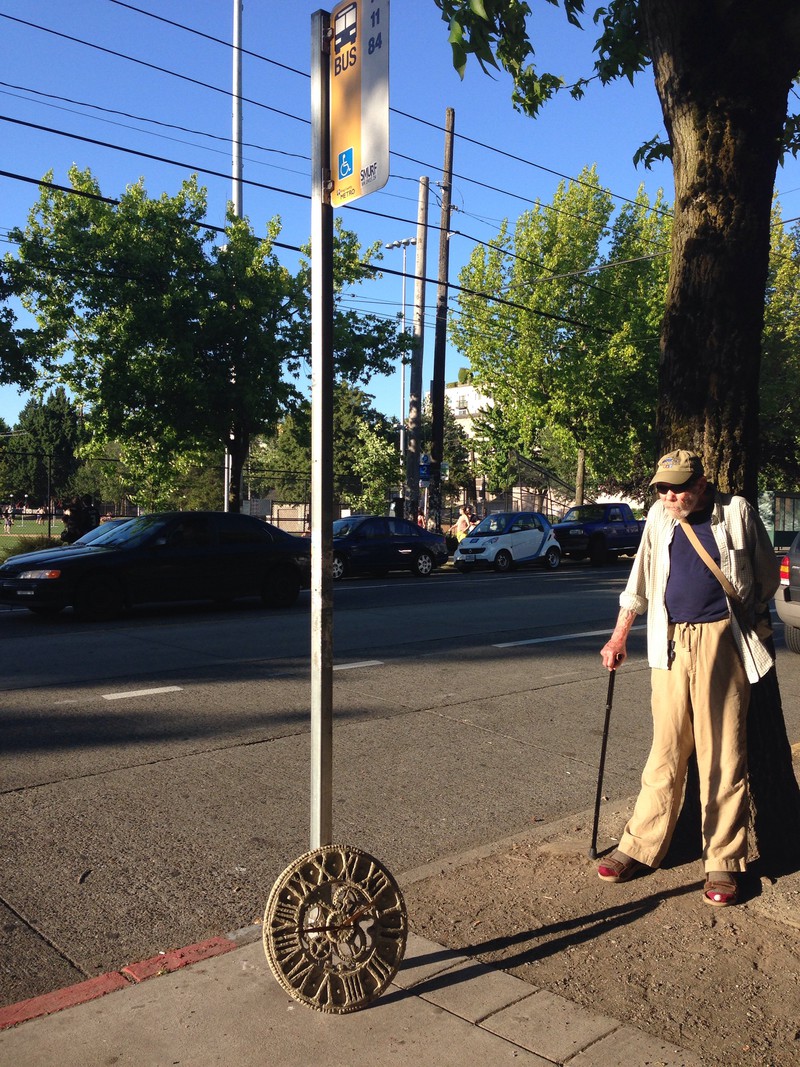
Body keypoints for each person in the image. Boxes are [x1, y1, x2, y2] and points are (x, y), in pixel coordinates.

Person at [598, 449, 780, 907]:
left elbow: (764, 576)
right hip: (670, 643)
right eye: (662, 488)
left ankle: (723, 859)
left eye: (677, 488)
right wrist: (619, 636)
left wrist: (753, 621)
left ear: (701, 484)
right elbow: (638, 582)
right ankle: (639, 845)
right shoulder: (659, 518)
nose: (669, 496)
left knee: (724, 755)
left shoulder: (736, 513)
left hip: (723, 641)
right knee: (666, 750)